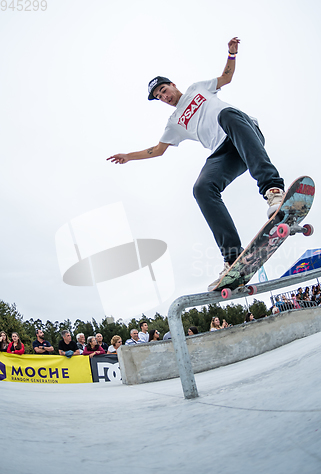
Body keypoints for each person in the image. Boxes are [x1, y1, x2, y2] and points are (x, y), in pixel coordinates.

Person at [107, 37, 285, 291]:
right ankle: (233, 255)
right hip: (224, 153)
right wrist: (128, 155)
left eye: (164, 90)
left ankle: (273, 190)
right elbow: (157, 150)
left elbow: (226, 77)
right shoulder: (173, 122)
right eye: (159, 97)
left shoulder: (197, 88)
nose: (164, 97)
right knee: (202, 188)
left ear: (172, 85)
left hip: (242, 131)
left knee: (226, 114)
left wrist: (231, 55)